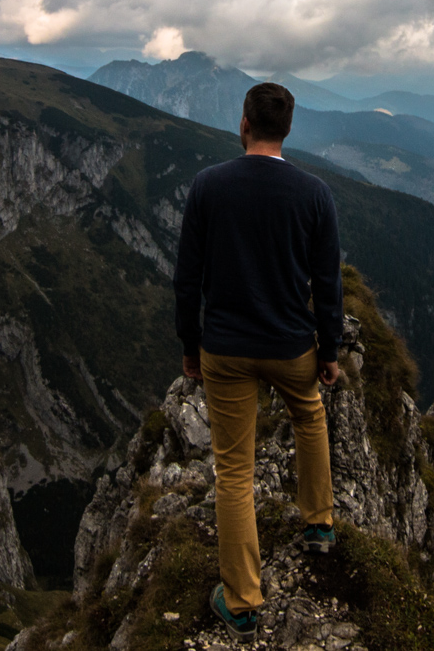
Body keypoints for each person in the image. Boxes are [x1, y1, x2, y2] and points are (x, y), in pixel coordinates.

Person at [174, 81, 344, 642]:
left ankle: (244, 601)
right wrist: (330, 349)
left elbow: (187, 279)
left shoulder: (207, 187)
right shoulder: (314, 192)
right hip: (292, 345)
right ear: (287, 129)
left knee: (234, 469)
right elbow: (327, 281)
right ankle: (319, 524)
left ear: (243, 123)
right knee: (310, 416)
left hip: (224, 350)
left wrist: (189, 347)